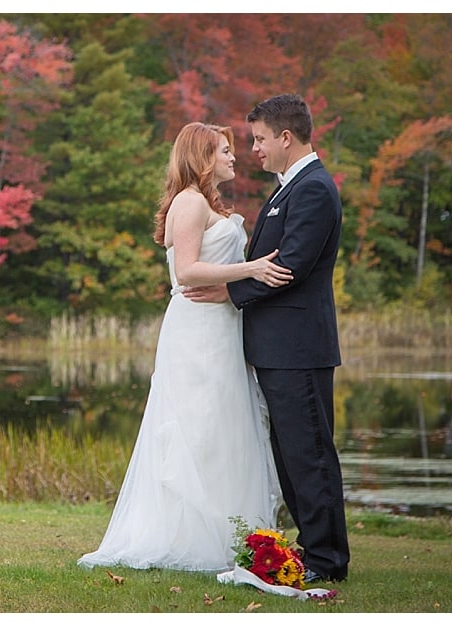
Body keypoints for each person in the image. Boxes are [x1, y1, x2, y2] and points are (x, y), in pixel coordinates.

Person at [78, 122, 290, 573]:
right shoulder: (190, 203)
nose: (235, 157)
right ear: (202, 156)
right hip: (198, 331)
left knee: (222, 425)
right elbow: (188, 272)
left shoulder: (203, 202)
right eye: (225, 150)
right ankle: (192, 538)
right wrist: (251, 269)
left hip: (220, 327)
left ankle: (227, 533)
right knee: (199, 424)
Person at [184, 94, 350, 582]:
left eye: (258, 139)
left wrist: (227, 292)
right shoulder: (287, 190)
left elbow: (291, 266)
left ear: (285, 137)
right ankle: (311, 549)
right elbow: (273, 266)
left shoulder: (314, 190)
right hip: (280, 348)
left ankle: (326, 560)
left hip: (298, 347)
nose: (253, 149)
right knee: (290, 453)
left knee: (310, 453)